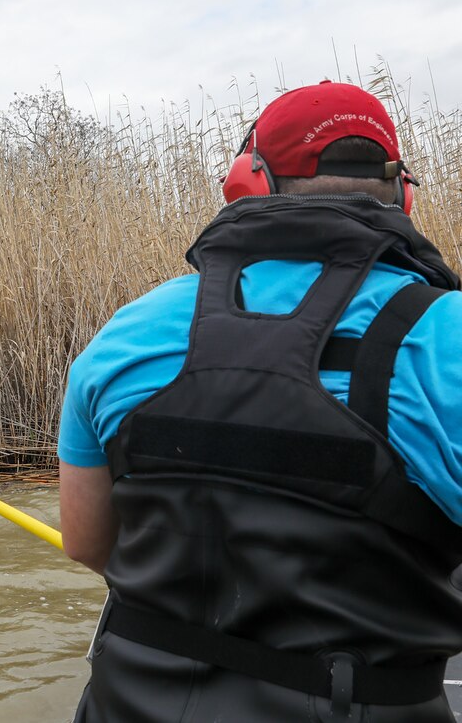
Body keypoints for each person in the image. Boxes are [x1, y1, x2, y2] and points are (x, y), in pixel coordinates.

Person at [58, 80, 462, 722]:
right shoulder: (450, 337)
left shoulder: (126, 332)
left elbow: (84, 541)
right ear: (402, 194)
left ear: (247, 181)